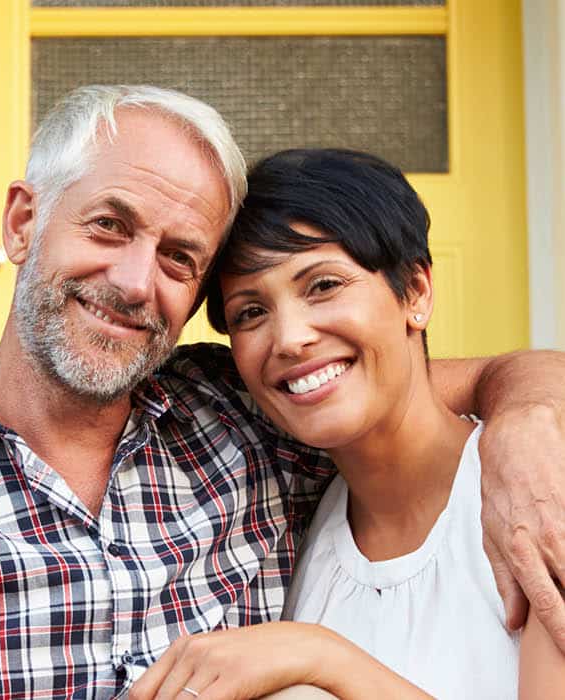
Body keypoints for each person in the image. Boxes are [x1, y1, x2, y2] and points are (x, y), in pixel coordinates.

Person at [0, 85, 565, 699]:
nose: (137, 282)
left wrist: (525, 414)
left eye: (180, 258)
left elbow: (396, 384)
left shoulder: (245, 416)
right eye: (108, 225)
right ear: (24, 222)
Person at [125, 148, 565, 698]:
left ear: (416, 293)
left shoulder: (538, 494)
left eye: (324, 286)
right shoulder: (290, 522)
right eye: (250, 312)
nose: (290, 338)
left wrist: (323, 657)